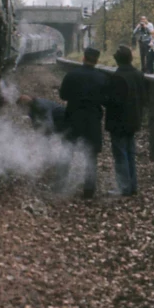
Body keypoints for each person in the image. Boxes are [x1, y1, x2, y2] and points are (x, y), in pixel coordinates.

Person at [60, 47, 109, 199]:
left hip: (73, 116)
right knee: (91, 155)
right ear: (97, 60)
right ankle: (89, 189)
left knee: (67, 151)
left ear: (83, 58)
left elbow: (63, 95)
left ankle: (60, 185)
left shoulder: (72, 74)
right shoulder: (102, 77)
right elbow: (106, 100)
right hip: (92, 119)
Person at [105, 45, 147, 196]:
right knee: (130, 153)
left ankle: (124, 187)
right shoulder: (138, 74)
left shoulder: (117, 77)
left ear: (117, 60)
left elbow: (114, 101)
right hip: (134, 119)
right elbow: (144, 98)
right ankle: (133, 186)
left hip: (119, 121)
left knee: (120, 154)